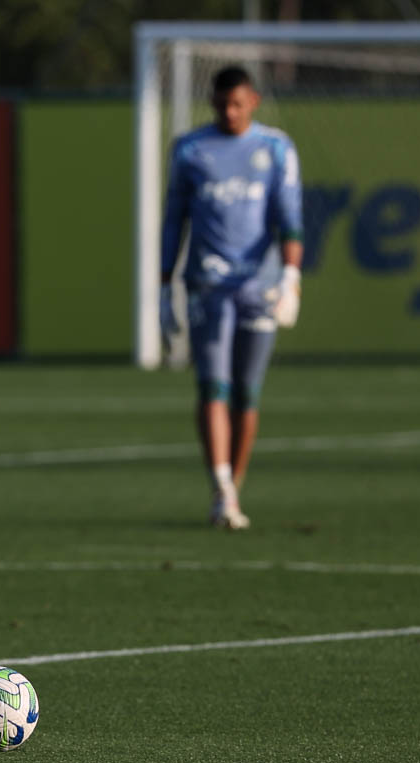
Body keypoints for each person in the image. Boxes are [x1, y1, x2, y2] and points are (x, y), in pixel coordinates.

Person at [159, 65, 304, 531]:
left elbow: (290, 219)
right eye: (222, 104)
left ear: (254, 101)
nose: (229, 112)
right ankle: (220, 484)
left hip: (259, 287)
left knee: (247, 392)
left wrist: (291, 277)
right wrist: (164, 286)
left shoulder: (275, 148)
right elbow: (172, 220)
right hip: (207, 283)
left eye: (238, 104)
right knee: (213, 386)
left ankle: (230, 490)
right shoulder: (190, 149)